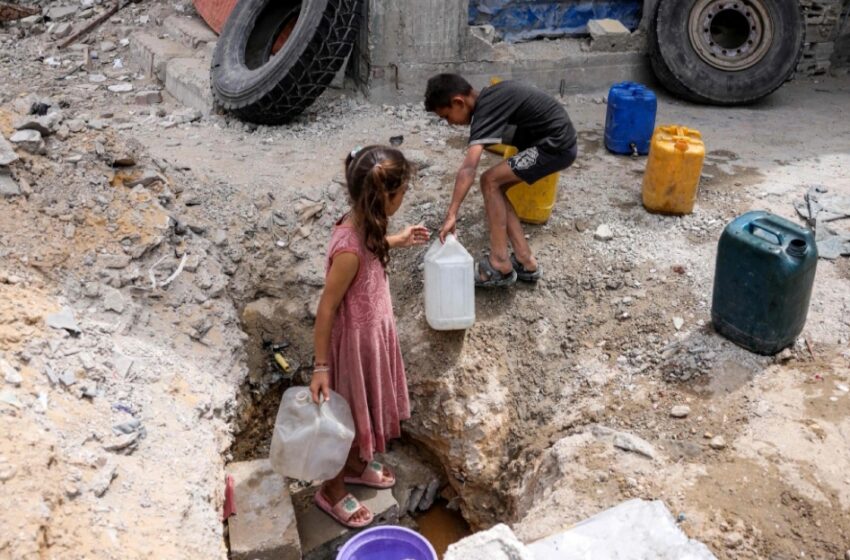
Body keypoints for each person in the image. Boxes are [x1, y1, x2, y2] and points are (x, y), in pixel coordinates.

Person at [309, 145, 430, 528]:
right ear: (383, 197)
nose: (404, 197)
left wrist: (398, 239)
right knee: (344, 421)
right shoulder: (348, 248)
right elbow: (327, 307)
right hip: (353, 349)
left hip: (374, 338)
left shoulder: (368, 224)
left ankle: (360, 464)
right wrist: (321, 367)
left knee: (366, 411)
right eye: (402, 192)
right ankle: (330, 489)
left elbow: (371, 247)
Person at [424, 73, 578, 288]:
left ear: (458, 101)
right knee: (497, 185)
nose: (450, 123)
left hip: (554, 145)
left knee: (489, 181)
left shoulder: (486, 109)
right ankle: (525, 260)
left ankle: (499, 263)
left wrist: (452, 214)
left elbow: (469, 168)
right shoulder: (489, 100)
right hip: (555, 143)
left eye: (446, 116)